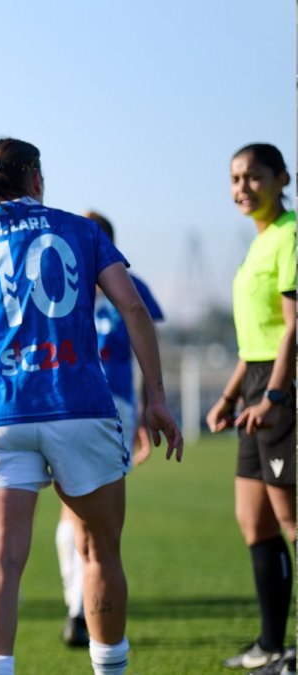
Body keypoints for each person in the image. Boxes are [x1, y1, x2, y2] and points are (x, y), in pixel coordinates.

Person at [0, 137, 182, 675]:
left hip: (0, 415)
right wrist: (157, 399)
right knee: (98, 551)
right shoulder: (81, 228)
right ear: (37, 179)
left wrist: (8, 378)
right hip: (81, 408)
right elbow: (133, 308)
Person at [205, 143, 295, 674]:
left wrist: (276, 395)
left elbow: (293, 328)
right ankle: (270, 646)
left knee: (291, 520)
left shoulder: (291, 235)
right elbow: (252, 343)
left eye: (254, 177)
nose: (242, 187)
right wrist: (229, 395)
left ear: (282, 179)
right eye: (235, 178)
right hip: (257, 384)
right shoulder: (257, 245)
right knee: (253, 520)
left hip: (285, 387)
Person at [56, 211, 165, 647]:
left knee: (95, 516)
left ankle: (84, 608)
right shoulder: (61, 287)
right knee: (75, 512)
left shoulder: (131, 290)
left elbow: (145, 351)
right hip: (71, 406)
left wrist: (146, 407)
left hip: (115, 407)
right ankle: (78, 606)